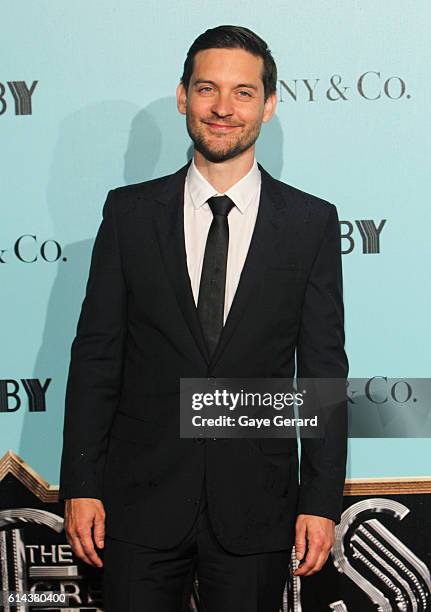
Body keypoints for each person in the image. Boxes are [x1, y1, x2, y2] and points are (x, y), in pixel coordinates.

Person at [59, 24, 348, 612]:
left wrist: (319, 498)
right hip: (138, 504)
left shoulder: (310, 223)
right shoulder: (129, 213)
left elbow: (321, 372)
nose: (222, 108)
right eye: (207, 89)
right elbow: (96, 358)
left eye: (243, 93)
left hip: (257, 505)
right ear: (183, 96)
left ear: (268, 106)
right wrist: (82, 484)